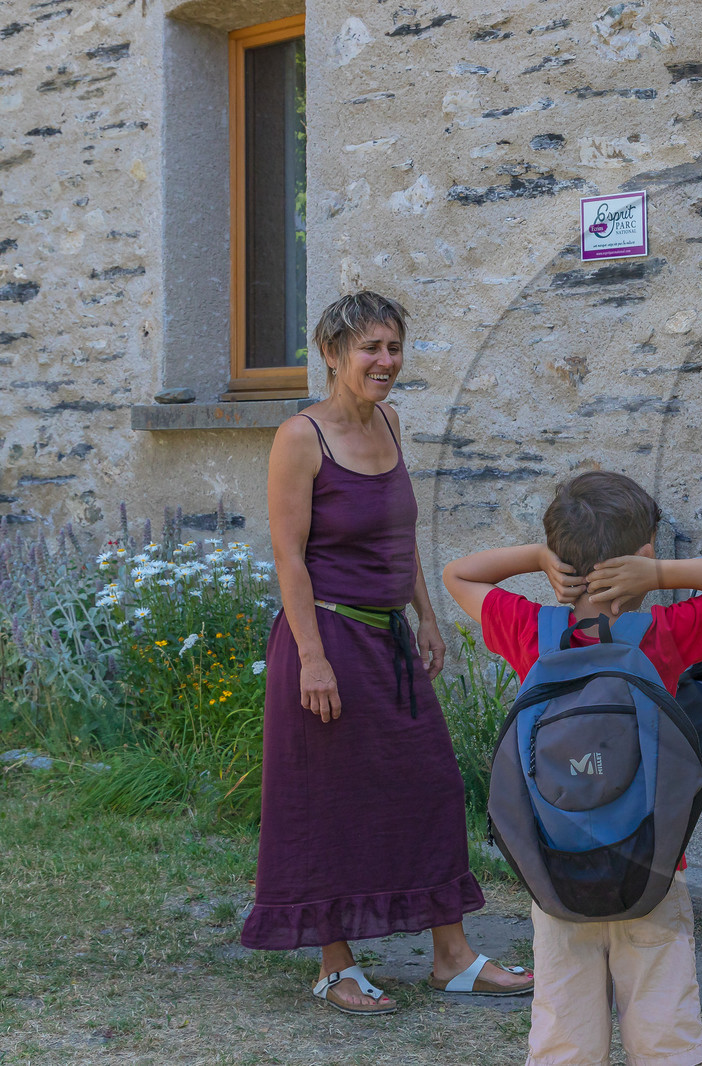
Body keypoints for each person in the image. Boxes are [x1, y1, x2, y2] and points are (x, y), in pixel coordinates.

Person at [242, 291, 533, 1014]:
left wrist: (427, 617)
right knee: (327, 800)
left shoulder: (393, 424)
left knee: (428, 783)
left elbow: (399, 541)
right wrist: (311, 658)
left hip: (389, 638)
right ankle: (334, 962)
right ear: (334, 354)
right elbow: (290, 558)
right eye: (371, 348)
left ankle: (452, 956)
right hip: (326, 637)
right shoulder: (300, 437)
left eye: (394, 347)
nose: (385, 362)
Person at [442, 470, 702, 1066]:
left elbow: (457, 572)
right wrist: (663, 574)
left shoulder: (532, 630)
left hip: (555, 861)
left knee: (564, 1023)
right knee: (665, 1016)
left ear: (560, 559)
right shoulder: (662, 634)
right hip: (653, 860)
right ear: (643, 556)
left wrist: (540, 558)